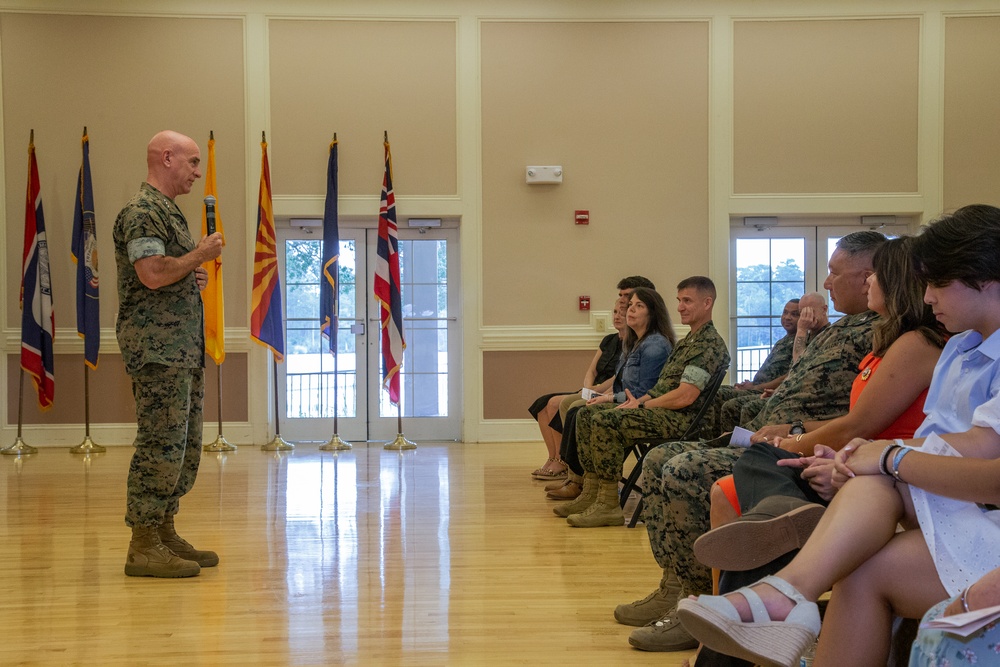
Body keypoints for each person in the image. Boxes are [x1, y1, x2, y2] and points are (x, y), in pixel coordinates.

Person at [676, 204, 1000, 667]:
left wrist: (882, 456)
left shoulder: (923, 344)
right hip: (944, 498)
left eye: (937, 282)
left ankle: (784, 589)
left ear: (983, 276)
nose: (926, 296)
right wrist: (862, 455)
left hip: (974, 506)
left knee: (860, 527)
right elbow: (949, 443)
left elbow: (982, 464)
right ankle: (786, 587)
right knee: (819, 468)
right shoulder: (961, 349)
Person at [616, 231, 883, 653]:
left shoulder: (882, 334)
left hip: (801, 447)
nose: (827, 283)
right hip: (767, 435)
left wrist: (796, 434)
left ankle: (700, 600)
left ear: (868, 275)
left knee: (681, 468)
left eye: (834, 273)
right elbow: (798, 374)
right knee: (659, 460)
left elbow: (864, 417)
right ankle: (675, 584)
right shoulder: (843, 327)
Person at [113, 130, 224, 578]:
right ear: (167, 157)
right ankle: (142, 545)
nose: (198, 172)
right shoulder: (142, 212)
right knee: (160, 445)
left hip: (182, 349)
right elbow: (153, 274)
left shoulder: (169, 213)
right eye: (193, 162)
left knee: (182, 448)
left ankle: (163, 531)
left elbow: (167, 273)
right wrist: (198, 254)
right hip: (158, 349)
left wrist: (190, 271)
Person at [553, 276, 730, 529]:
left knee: (605, 420)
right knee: (586, 414)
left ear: (707, 303)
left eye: (687, 301)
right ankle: (591, 493)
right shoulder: (688, 341)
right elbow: (659, 388)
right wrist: (639, 401)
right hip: (664, 410)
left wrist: (644, 405)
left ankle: (608, 505)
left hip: (682, 419)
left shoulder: (708, 344)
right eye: (679, 300)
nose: (680, 307)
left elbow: (685, 396)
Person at [528, 276, 654, 479]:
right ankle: (558, 461)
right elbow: (593, 371)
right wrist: (587, 388)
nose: (624, 308)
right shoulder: (614, 340)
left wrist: (601, 394)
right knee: (545, 403)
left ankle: (575, 472)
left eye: (630, 302)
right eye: (621, 301)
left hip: (615, 394)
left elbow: (628, 383)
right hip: (602, 390)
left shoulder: (648, 343)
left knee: (568, 407)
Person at [717, 293, 828, 433]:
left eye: (797, 314)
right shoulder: (792, 339)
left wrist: (757, 388)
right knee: (719, 392)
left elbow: (796, 369)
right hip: (776, 391)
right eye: (802, 313)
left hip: (800, 398)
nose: (804, 317)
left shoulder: (822, 336)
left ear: (824, 310)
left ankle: (737, 448)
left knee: (738, 406)